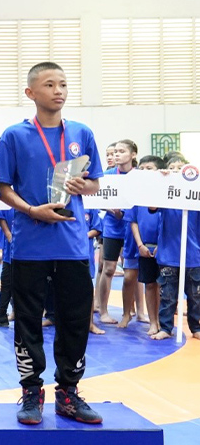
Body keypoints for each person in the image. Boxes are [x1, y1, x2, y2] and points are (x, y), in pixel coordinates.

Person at [0, 62, 103, 425]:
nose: (58, 90)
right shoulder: (14, 136)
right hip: (30, 245)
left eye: (63, 84)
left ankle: (68, 392)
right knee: (27, 321)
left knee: (74, 320)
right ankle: (31, 392)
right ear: (31, 93)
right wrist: (31, 210)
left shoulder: (82, 133)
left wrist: (80, 186)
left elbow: (95, 184)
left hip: (73, 245)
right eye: (49, 84)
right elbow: (2, 187)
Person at [94, 139, 138, 327]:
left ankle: (137, 311)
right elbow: (95, 197)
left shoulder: (140, 175)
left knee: (133, 271)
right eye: (115, 151)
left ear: (133, 154)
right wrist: (111, 208)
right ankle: (103, 311)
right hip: (112, 227)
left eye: (121, 151)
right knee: (109, 268)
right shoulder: (107, 175)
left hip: (133, 227)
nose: (116, 154)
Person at [128, 155, 166, 336]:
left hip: (165, 247)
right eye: (141, 168)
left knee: (166, 286)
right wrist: (140, 245)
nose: (144, 171)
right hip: (145, 247)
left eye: (149, 168)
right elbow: (133, 221)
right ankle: (153, 322)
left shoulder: (168, 191)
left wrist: (163, 243)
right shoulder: (137, 193)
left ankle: (165, 323)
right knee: (150, 285)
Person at [151, 206, 200, 341]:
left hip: (193, 255)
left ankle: (196, 327)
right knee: (167, 295)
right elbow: (152, 207)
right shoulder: (168, 192)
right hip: (169, 254)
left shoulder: (195, 193)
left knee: (195, 297)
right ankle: (166, 328)